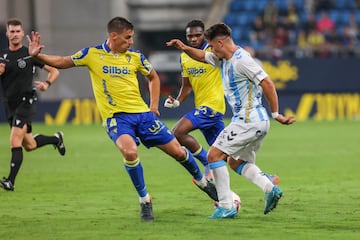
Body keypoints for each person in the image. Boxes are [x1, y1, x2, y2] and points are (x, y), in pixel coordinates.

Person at [27, 16, 218, 222]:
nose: (131, 42)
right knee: (129, 151)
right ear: (113, 36)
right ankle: (145, 200)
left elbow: (152, 77)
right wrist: (40, 56)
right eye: (127, 38)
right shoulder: (93, 54)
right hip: (117, 118)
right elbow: (64, 61)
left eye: (132, 37)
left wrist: (153, 106)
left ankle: (201, 181)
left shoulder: (135, 56)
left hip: (143, 115)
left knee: (179, 152)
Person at [167, 23, 295, 219]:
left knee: (214, 156)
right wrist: (184, 48)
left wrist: (276, 113)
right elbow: (201, 56)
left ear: (220, 43)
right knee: (235, 162)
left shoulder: (242, 60)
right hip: (254, 122)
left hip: (248, 120)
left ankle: (226, 205)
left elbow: (267, 83)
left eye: (210, 45)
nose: (208, 49)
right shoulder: (222, 59)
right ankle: (270, 188)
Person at [0, 18, 65, 191]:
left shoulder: (30, 54)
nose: (14, 34)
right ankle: (56, 139)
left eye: (17, 31)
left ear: (22, 33)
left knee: (14, 139)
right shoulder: (2, 56)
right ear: (7, 34)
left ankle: (10, 181)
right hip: (9, 104)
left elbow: (54, 70)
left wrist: (46, 84)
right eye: (11, 31)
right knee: (29, 145)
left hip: (26, 101)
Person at [163, 20, 225, 182]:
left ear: (204, 35)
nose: (193, 39)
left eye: (198, 35)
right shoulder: (184, 57)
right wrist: (176, 102)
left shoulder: (212, 51)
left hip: (213, 105)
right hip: (204, 108)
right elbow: (187, 86)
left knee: (177, 132)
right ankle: (266, 181)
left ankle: (206, 162)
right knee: (226, 155)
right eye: (189, 36)